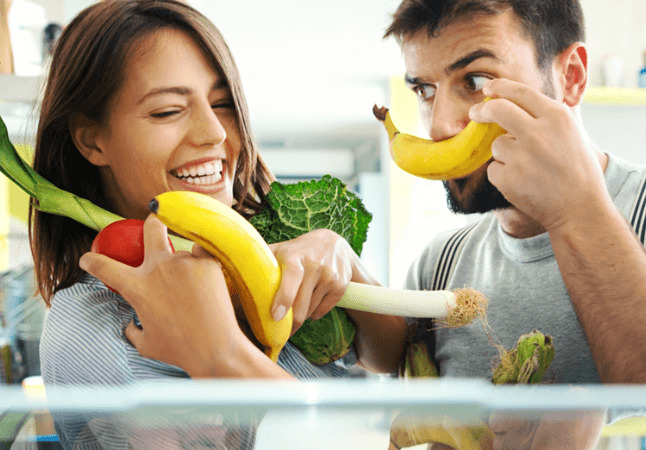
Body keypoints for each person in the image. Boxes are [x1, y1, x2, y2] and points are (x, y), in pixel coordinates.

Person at [34, 1, 404, 448]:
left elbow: (394, 354)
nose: (215, 133)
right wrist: (220, 355)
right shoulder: (94, 330)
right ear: (92, 139)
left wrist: (345, 263)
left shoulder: (254, 265)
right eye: (167, 111)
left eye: (223, 104)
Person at [369, 0, 646, 448]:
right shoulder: (438, 267)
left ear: (571, 76)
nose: (440, 125)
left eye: (475, 81)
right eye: (424, 89)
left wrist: (572, 207)